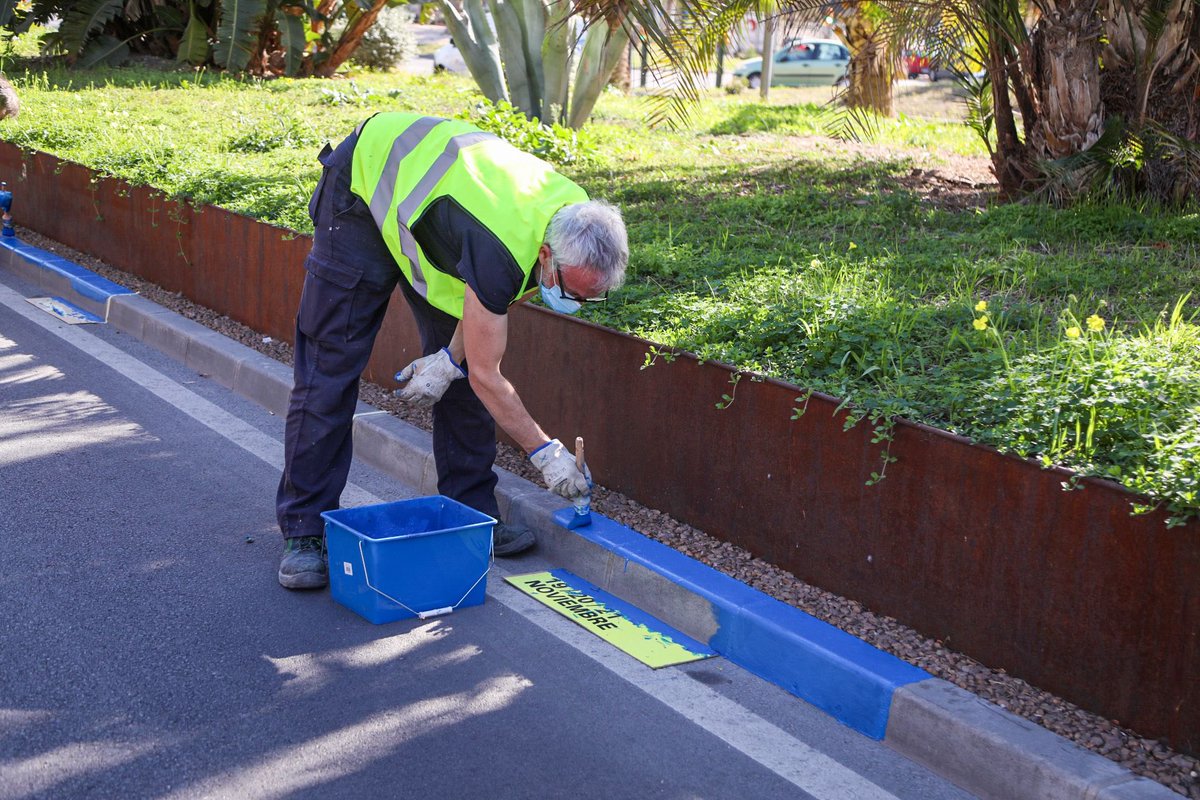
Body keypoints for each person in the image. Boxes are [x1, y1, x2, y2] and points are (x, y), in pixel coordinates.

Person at [275, 112, 629, 590]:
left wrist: (447, 361)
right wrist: (547, 455)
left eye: (590, 297)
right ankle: (305, 530)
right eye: (570, 290)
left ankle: (471, 514)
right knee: (329, 369)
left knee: (460, 379)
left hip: (437, 223)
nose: (574, 303)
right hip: (364, 190)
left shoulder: (575, 218)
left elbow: (475, 355)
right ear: (546, 256)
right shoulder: (503, 247)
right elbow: (489, 374)